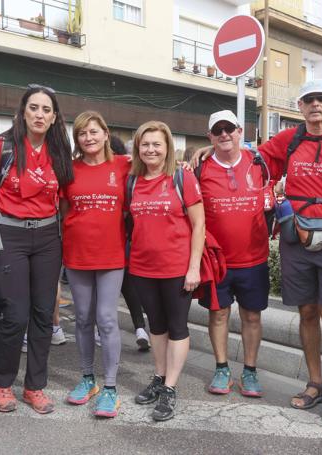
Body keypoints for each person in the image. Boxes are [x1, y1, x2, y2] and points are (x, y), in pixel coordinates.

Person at [0, 84, 73, 415]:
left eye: (46, 109)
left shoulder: (59, 150)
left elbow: (67, 200)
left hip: (46, 239)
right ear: (23, 111)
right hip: (8, 236)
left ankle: (34, 387)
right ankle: (1, 383)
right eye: (34, 108)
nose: (40, 114)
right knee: (14, 314)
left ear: (55, 117)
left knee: (43, 314)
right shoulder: (5, 145)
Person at [257, 80, 322, 424]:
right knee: (308, 313)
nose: (315, 104)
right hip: (296, 238)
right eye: (307, 99)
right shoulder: (289, 139)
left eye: (320, 98)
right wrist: (210, 154)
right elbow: (256, 164)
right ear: (300, 106)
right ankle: (314, 383)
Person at [192, 110, 271, 399]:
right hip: (217, 260)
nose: (224, 134)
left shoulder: (259, 161)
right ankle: (222, 367)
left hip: (255, 258)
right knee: (219, 314)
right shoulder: (199, 168)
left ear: (240, 131)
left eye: (229, 129)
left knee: (252, 317)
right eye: (218, 130)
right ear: (210, 137)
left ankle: (249, 371)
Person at [130, 121, 205, 421]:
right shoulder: (132, 180)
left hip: (176, 268)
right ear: (138, 147)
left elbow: (199, 224)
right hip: (142, 268)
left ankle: (170, 388)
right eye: (145, 144)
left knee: (177, 327)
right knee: (156, 326)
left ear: (167, 147)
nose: (150, 149)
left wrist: (194, 267)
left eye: (156, 144)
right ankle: (159, 378)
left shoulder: (181, 177)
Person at [60, 111, 129, 417]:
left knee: (107, 319)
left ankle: (111, 387)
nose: (88, 138)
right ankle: (88, 378)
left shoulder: (123, 165)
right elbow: (64, 210)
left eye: (93, 132)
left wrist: (203, 153)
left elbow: (161, 158)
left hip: (112, 255)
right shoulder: (69, 170)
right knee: (84, 318)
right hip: (77, 254)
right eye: (82, 134)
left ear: (105, 133)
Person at [110, 134, 150, 350]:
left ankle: (103, 329)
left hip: (114, 236)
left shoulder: (118, 170)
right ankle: (140, 327)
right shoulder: (132, 170)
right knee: (128, 284)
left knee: (108, 288)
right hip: (130, 237)